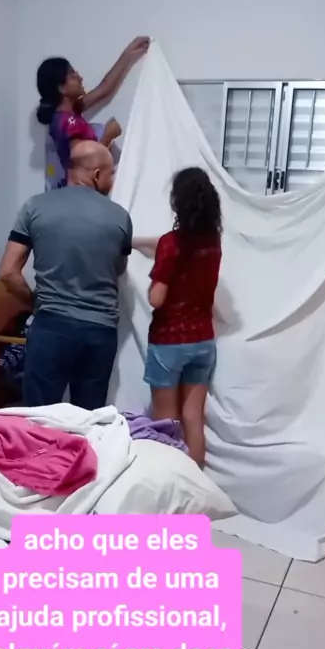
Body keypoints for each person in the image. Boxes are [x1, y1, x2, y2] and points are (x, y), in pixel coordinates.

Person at [0, 141, 132, 410]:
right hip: (100, 331)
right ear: (97, 174)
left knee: (40, 418)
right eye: (111, 173)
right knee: (89, 420)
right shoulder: (120, 217)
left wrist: (37, 303)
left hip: (51, 326)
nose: (113, 180)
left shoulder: (35, 207)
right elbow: (117, 269)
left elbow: (8, 272)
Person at [145, 167, 222, 467]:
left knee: (166, 424)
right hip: (203, 341)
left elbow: (156, 298)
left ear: (178, 202)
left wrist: (152, 280)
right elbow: (175, 247)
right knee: (193, 419)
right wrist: (139, 242)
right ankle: (196, 485)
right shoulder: (212, 242)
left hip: (169, 342)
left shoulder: (171, 244)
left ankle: (169, 489)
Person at [36, 37, 149, 186]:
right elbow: (87, 167)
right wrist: (109, 135)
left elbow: (103, 90)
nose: (80, 78)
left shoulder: (70, 112)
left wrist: (128, 54)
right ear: (62, 88)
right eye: (73, 76)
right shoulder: (67, 123)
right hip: (81, 193)